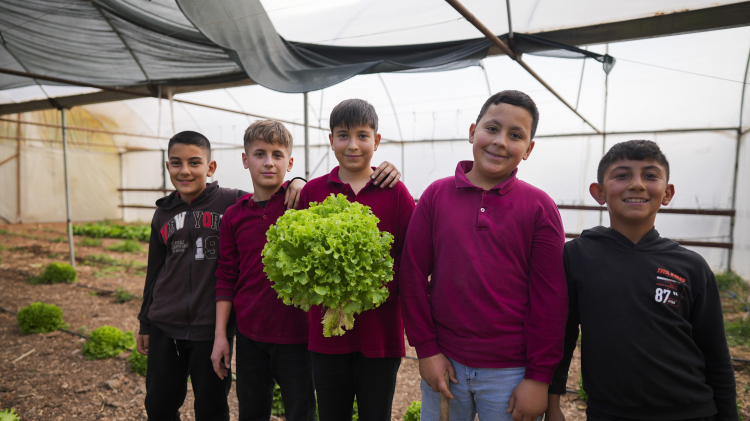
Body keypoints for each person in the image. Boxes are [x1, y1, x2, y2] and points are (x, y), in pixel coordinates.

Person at [399, 90, 568, 421]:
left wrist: (538, 378)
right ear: (472, 131)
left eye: (516, 135)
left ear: (528, 149)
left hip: (512, 373)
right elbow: (412, 273)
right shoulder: (436, 196)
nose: (500, 142)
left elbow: (551, 299)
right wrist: (426, 349)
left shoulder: (540, 207)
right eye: (492, 128)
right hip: (445, 361)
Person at [546, 140, 737, 421]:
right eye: (622, 175)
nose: (637, 184)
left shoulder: (692, 266)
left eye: (650, 175)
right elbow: (562, 337)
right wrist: (552, 405)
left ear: (667, 193)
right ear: (599, 192)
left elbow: (716, 354)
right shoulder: (576, 256)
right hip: (608, 414)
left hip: (691, 412)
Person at [135, 130, 308, 421]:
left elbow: (266, 193)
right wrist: (145, 322)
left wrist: (298, 181)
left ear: (210, 167)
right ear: (168, 167)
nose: (185, 171)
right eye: (176, 163)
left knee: (212, 409)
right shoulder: (162, 214)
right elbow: (154, 271)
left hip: (210, 327)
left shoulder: (231, 201)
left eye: (194, 162)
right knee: (158, 406)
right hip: (165, 323)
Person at [297, 99, 415, 421]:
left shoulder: (395, 192)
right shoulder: (313, 191)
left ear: (376, 141)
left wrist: (367, 291)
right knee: (331, 414)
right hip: (327, 335)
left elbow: (410, 259)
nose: (352, 145)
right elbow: (299, 258)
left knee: (376, 414)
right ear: (331, 140)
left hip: (380, 334)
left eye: (362, 136)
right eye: (343, 135)